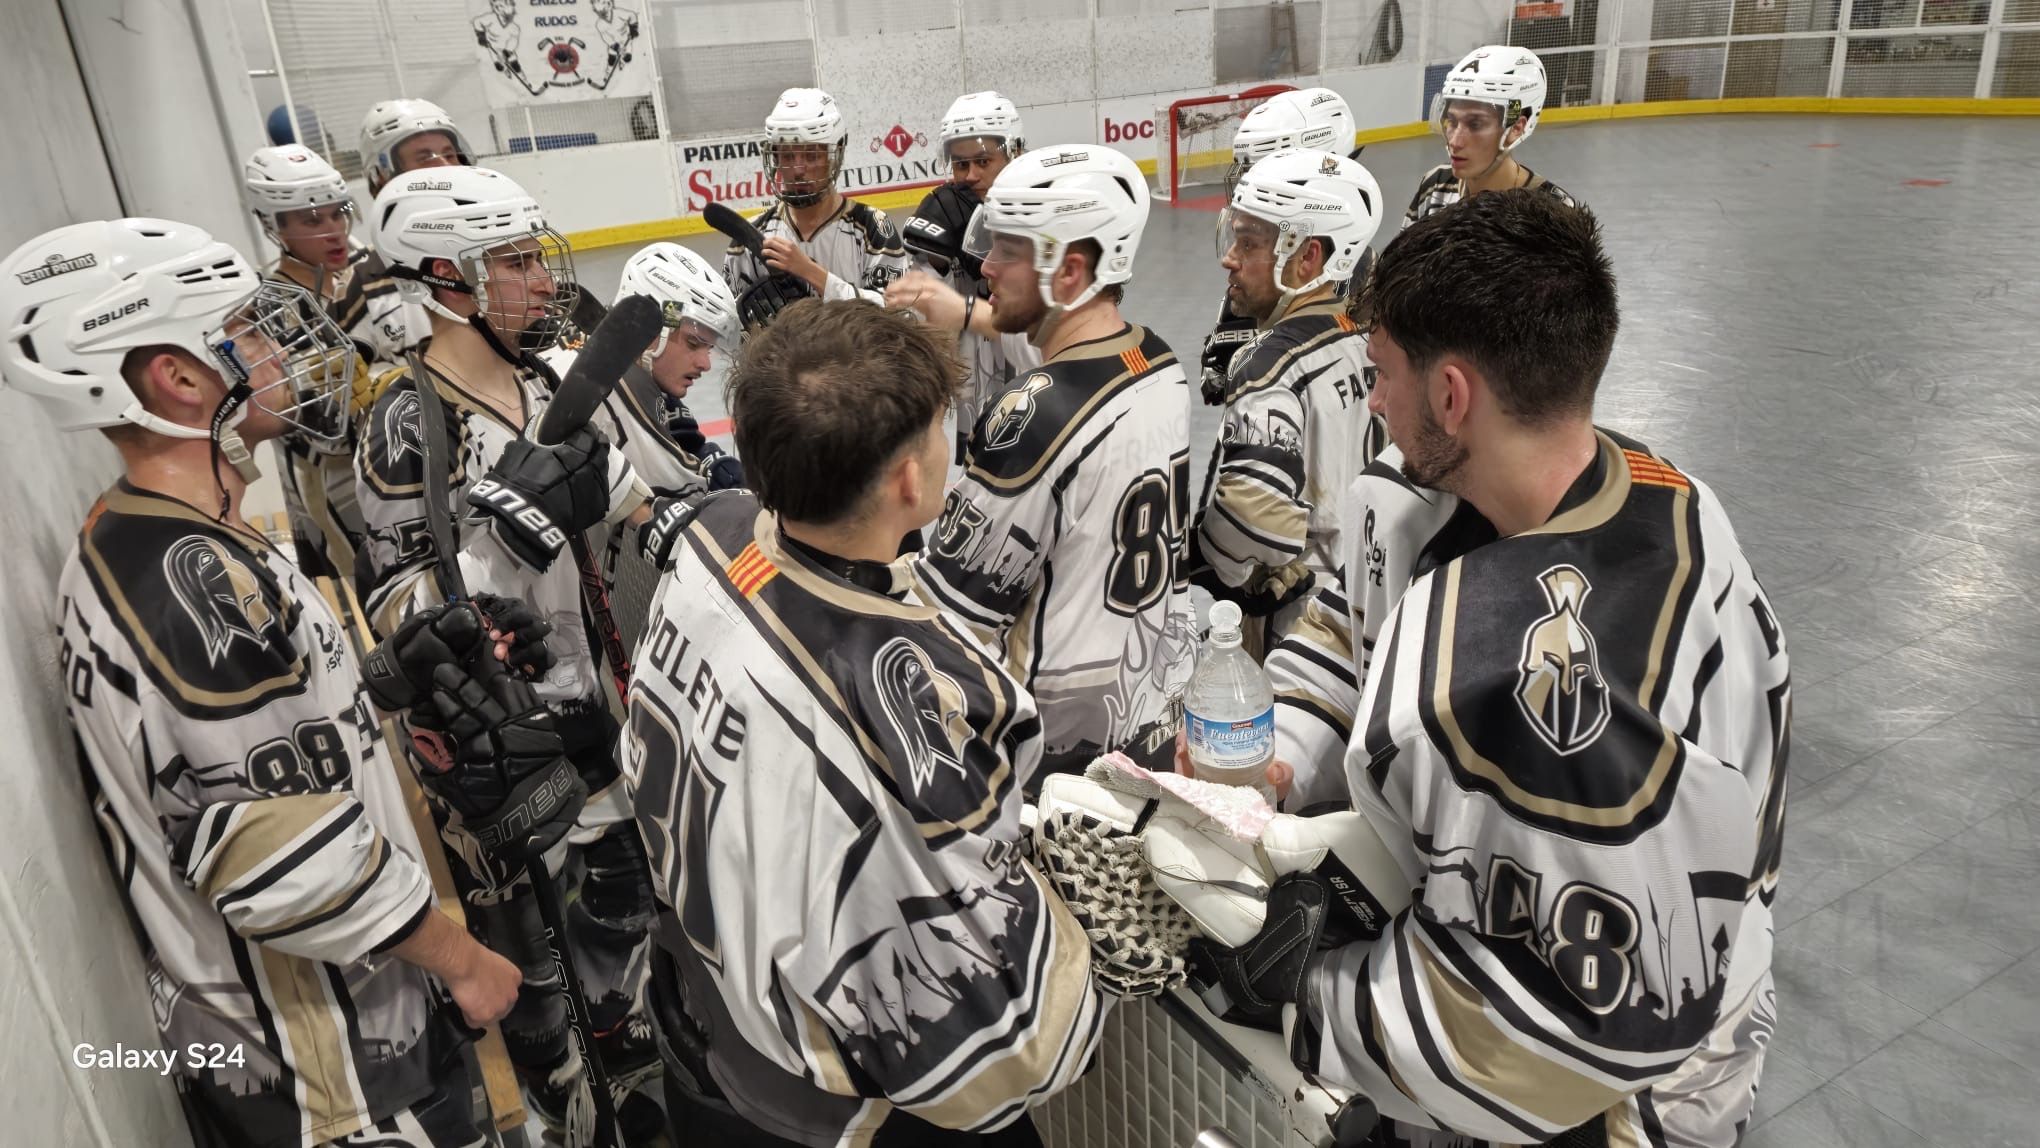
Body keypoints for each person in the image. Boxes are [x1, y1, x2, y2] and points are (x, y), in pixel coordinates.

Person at [1195, 190, 1791, 1147]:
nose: (1372, 399)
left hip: (1618, 1094)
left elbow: (1562, 1025)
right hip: (1481, 976)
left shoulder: (1571, 682)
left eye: (1381, 373)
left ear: (1451, 395)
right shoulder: (1420, 490)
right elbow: (1344, 633)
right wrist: (1282, 757)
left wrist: (1310, 990)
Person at [0, 217, 569, 1146]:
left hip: (346, 1034)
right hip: (329, 1077)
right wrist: (465, 961)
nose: (286, 348)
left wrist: (385, 682)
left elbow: (257, 753)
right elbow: (274, 857)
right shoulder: (182, 583)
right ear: (180, 381)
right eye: (248, 331)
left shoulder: (176, 531)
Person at [626, 298, 1107, 1146]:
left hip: (706, 1007)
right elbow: (1002, 1049)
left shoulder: (710, 532)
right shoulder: (916, 716)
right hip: (830, 1108)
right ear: (911, 480)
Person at [359, 165, 663, 1133]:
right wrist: (495, 544)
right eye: (517, 261)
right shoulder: (409, 418)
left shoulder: (546, 377)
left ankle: (622, 1038)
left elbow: (640, 498)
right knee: (533, 961)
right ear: (448, 278)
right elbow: (396, 608)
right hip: (503, 745)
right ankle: (568, 1106)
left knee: (625, 898)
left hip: (596, 708)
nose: (543, 277)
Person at [894, 144, 1195, 779]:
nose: (985, 268)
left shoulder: (1036, 413)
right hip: (1149, 710)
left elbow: (949, 618)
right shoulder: (1161, 359)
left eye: (1008, 250)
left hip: (1057, 749)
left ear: (1071, 272)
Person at [1188, 148, 1385, 652]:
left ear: (1308, 257)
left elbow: (1256, 512)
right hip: (1379, 597)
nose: (1229, 258)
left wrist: (1207, 561)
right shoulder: (1376, 340)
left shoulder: (1268, 364)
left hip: (1304, 623)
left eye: (1249, 244)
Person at [241, 143, 409, 579]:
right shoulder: (261, 304)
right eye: (311, 221)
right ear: (273, 225)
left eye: (337, 213)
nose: (332, 230)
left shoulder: (376, 269)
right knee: (373, 585)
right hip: (330, 481)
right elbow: (310, 416)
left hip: (407, 455)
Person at [548, 241, 744, 503]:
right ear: (650, 326)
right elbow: (688, 494)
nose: (705, 363)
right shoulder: (620, 391)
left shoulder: (630, 366)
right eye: (694, 343)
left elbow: (682, 437)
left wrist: (708, 457)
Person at [899, 90, 1038, 460]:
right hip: (978, 409)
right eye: (961, 166)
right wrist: (937, 266)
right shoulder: (950, 215)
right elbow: (926, 336)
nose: (971, 176)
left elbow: (1047, 350)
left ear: (1015, 154)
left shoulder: (1049, 223)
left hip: (1044, 405)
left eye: (983, 161)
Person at [1201, 86, 1361, 404]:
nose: (1246, 181)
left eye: (1259, 167)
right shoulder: (1263, 268)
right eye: (1245, 168)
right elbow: (1218, 382)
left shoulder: (1366, 279)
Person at [721, 88, 909, 329]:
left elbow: (898, 318)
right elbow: (728, 335)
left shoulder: (873, 229)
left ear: (836, 153)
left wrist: (812, 273)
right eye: (787, 156)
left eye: (811, 155)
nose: (798, 169)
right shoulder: (750, 239)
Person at [1403, 45, 1576, 230]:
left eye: (1475, 125)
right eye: (1452, 121)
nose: (1455, 142)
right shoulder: (1436, 185)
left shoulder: (1554, 212)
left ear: (1516, 128)